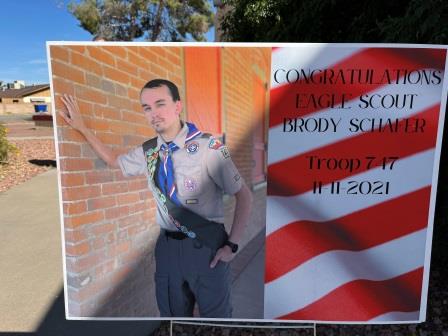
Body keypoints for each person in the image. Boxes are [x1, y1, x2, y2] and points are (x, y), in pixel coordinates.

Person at [59, 79, 253, 318]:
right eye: (147, 108)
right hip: (167, 248)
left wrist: (232, 246)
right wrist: (82, 128)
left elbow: (244, 195)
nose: (153, 113)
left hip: (207, 248)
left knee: (218, 321)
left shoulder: (209, 147)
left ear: (177, 106)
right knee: (172, 318)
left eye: (160, 104)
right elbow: (114, 161)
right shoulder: (148, 151)